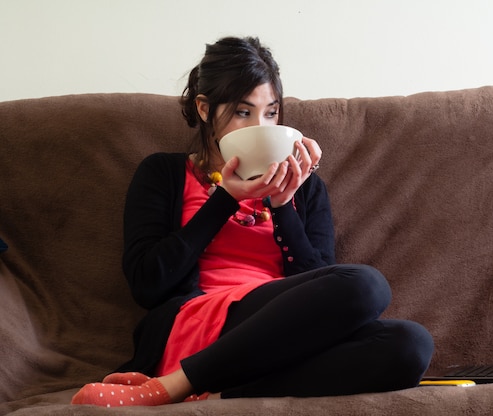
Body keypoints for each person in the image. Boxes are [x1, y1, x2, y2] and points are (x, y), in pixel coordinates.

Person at [71, 36, 433, 407]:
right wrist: (226, 199)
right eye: (244, 112)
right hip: (199, 322)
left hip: (277, 337)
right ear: (204, 108)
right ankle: (173, 384)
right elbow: (148, 284)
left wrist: (283, 204)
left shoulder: (305, 188)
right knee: (366, 284)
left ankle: (219, 392)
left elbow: (321, 287)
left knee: (411, 345)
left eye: (271, 113)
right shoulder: (163, 172)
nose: (260, 125)